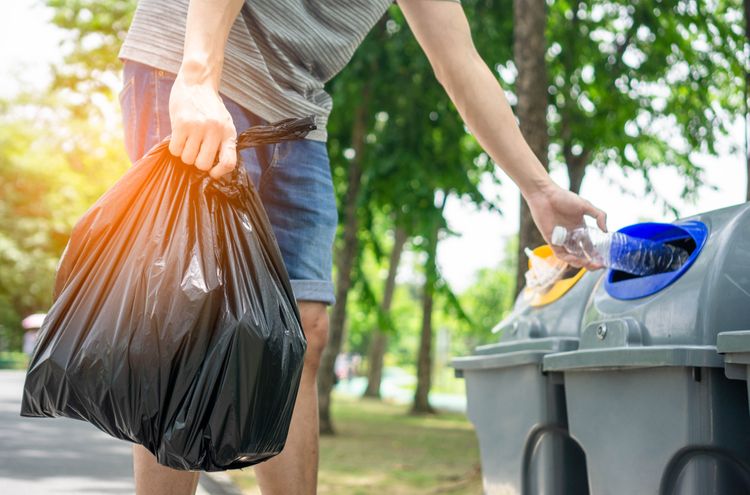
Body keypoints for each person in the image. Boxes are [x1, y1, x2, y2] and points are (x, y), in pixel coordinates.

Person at [118, 1, 607, 493]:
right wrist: (198, 76)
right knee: (189, 322)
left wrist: (539, 189)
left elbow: (459, 61)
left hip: (296, 109)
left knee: (302, 332)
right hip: (202, 63)